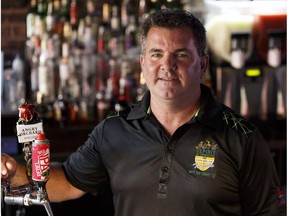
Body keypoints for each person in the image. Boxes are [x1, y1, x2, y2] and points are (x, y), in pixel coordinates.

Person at [1, 9, 286, 216]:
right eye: (156, 54)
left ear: (203, 64)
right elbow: (69, 182)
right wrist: (13, 172)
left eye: (181, 55)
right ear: (142, 64)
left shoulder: (242, 137)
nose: (167, 65)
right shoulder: (113, 130)